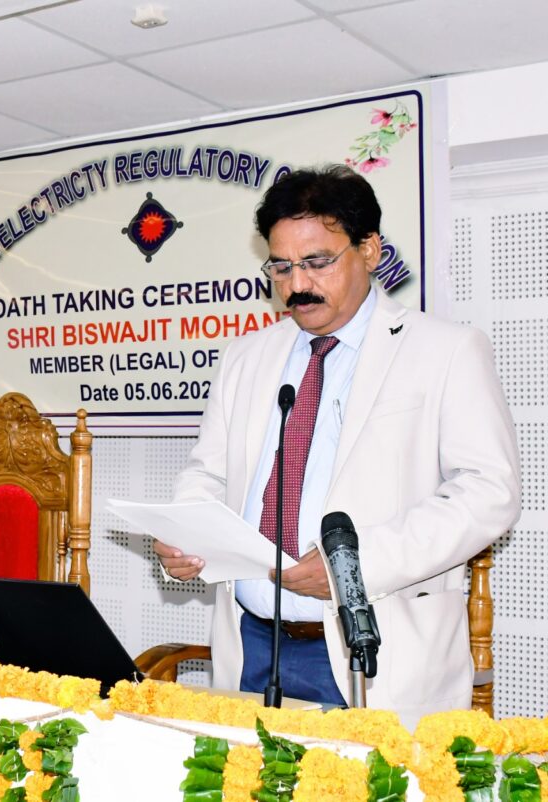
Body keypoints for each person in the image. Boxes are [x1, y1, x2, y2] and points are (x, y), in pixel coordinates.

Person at [154, 165, 520, 724]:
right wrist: (187, 534)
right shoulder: (246, 357)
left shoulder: (445, 351)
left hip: (377, 651)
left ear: (368, 250)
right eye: (281, 266)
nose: (296, 284)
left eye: (316, 262)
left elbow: (489, 493)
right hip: (252, 646)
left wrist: (354, 567)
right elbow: (208, 474)